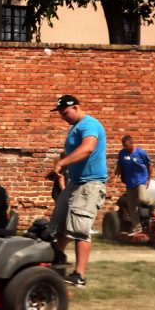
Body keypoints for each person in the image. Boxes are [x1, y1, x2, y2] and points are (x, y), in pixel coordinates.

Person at [46, 95, 108, 287]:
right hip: (75, 183)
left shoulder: (89, 124)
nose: (62, 117)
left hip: (90, 184)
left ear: (75, 108)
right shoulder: (75, 128)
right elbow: (74, 156)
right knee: (59, 224)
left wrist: (62, 163)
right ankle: (56, 262)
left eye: (64, 113)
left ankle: (79, 276)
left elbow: (88, 148)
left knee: (80, 229)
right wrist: (60, 169)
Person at [111, 135, 153, 233]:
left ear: (132, 143)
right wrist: (114, 178)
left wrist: (148, 179)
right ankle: (137, 227)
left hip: (141, 180)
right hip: (130, 182)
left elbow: (149, 166)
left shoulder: (141, 153)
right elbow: (119, 167)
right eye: (123, 146)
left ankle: (152, 202)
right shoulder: (122, 154)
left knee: (142, 198)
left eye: (126, 146)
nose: (125, 147)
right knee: (132, 206)